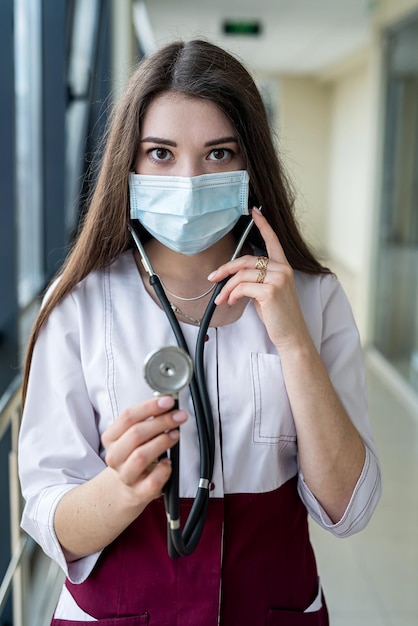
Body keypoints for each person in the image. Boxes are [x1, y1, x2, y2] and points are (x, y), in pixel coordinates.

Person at [18, 39, 381, 625]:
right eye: (161, 153)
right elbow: (48, 518)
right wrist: (124, 487)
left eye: (218, 154)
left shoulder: (314, 298)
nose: (188, 180)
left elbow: (350, 508)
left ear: (249, 166)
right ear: (128, 167)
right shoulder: (78, 303)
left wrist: (293, 343)